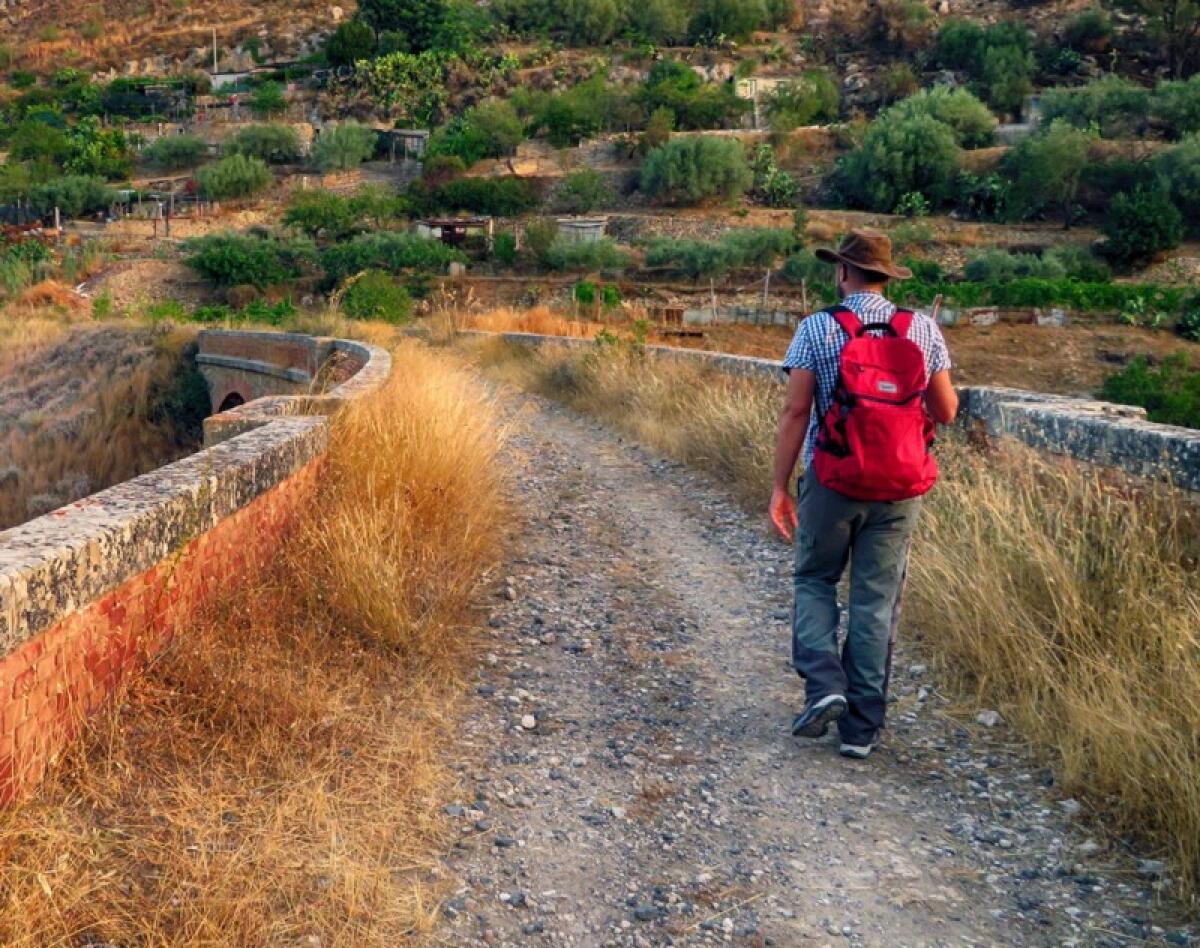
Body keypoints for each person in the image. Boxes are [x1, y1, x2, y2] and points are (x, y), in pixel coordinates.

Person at [769, 229, 958, 759]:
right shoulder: (921, 329)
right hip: (898, 490)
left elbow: (795, 412)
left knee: (815, 578)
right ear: (888, 277)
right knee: (875, 602)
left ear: (842, 272)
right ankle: (861, 730)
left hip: (832, 483)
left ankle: (824, 684)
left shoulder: (817, 328)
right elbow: (946, 412)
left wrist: (780, 487)